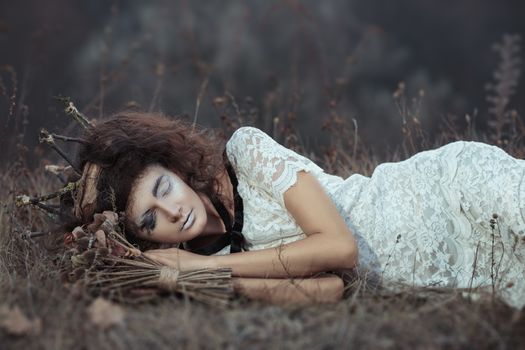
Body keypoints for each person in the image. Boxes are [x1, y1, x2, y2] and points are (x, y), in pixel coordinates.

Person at [73, 112, 525, 308]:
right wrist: (191, 276)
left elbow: (340, 248)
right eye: (149, 220)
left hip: (443, 191)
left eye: (163, 187)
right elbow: (328, 291)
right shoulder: (207, 263)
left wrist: (192, 269)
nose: (170, 212)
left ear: (172, 164)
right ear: (147, 240)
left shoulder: (246, 153)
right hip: (444, 269)